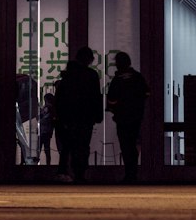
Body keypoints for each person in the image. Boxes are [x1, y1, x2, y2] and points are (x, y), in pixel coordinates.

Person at [53, 48, 102, 183]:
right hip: (86, 117)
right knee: (83, 145)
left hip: (68, 117)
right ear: (89, 59)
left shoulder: (68, 75)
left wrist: (60, 116)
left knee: (68, 145)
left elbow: (61, 97)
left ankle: (64, 171)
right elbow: (96, 97)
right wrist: (97, 115)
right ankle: (79, 173)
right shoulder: (91, 75)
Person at [106, 51, 150, 183]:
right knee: (133, 144)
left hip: (122, 118)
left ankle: (129, 173)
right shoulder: (137, 77)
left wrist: (116, 109)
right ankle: (133, 172)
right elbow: (147, 92)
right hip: (136, 117)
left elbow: (111, 99)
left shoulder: (117, 79)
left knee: (126, 145)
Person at [37, 91, 56, 167]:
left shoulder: (50, 109)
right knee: (44, 149)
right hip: (44, 131)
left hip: (45, 131)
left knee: (45, 149)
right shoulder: (49, 108)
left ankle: (47, 164)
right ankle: (47, 164)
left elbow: (44, 118)